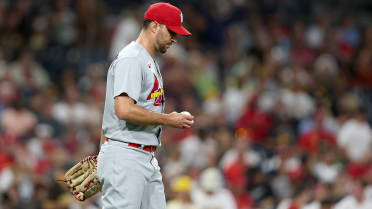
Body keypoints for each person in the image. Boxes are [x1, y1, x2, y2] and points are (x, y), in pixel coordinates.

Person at [97, 2, 194, 209]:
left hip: (143, 156)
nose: (175, 39)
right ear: (155, 26)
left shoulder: (147, 60)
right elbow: (122, 109)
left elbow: (108, 112)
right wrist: (168, 119)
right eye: (172, 32)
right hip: (126, 156)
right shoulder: (132, 58)